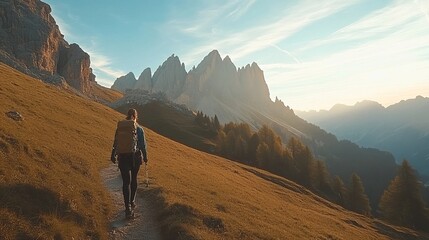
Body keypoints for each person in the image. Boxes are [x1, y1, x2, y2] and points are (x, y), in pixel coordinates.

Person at [111, 108, 148, 218]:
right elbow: (142, 145)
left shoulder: (120, 127)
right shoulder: (139, 129)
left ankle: (127, 208)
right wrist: (145, 157)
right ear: (135, 116)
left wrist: (113, 154)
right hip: (135, 157)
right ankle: (132, 201)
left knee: (126, 182)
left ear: (127, 115)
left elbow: (116, 141)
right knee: (134, 179)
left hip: (122, 157)